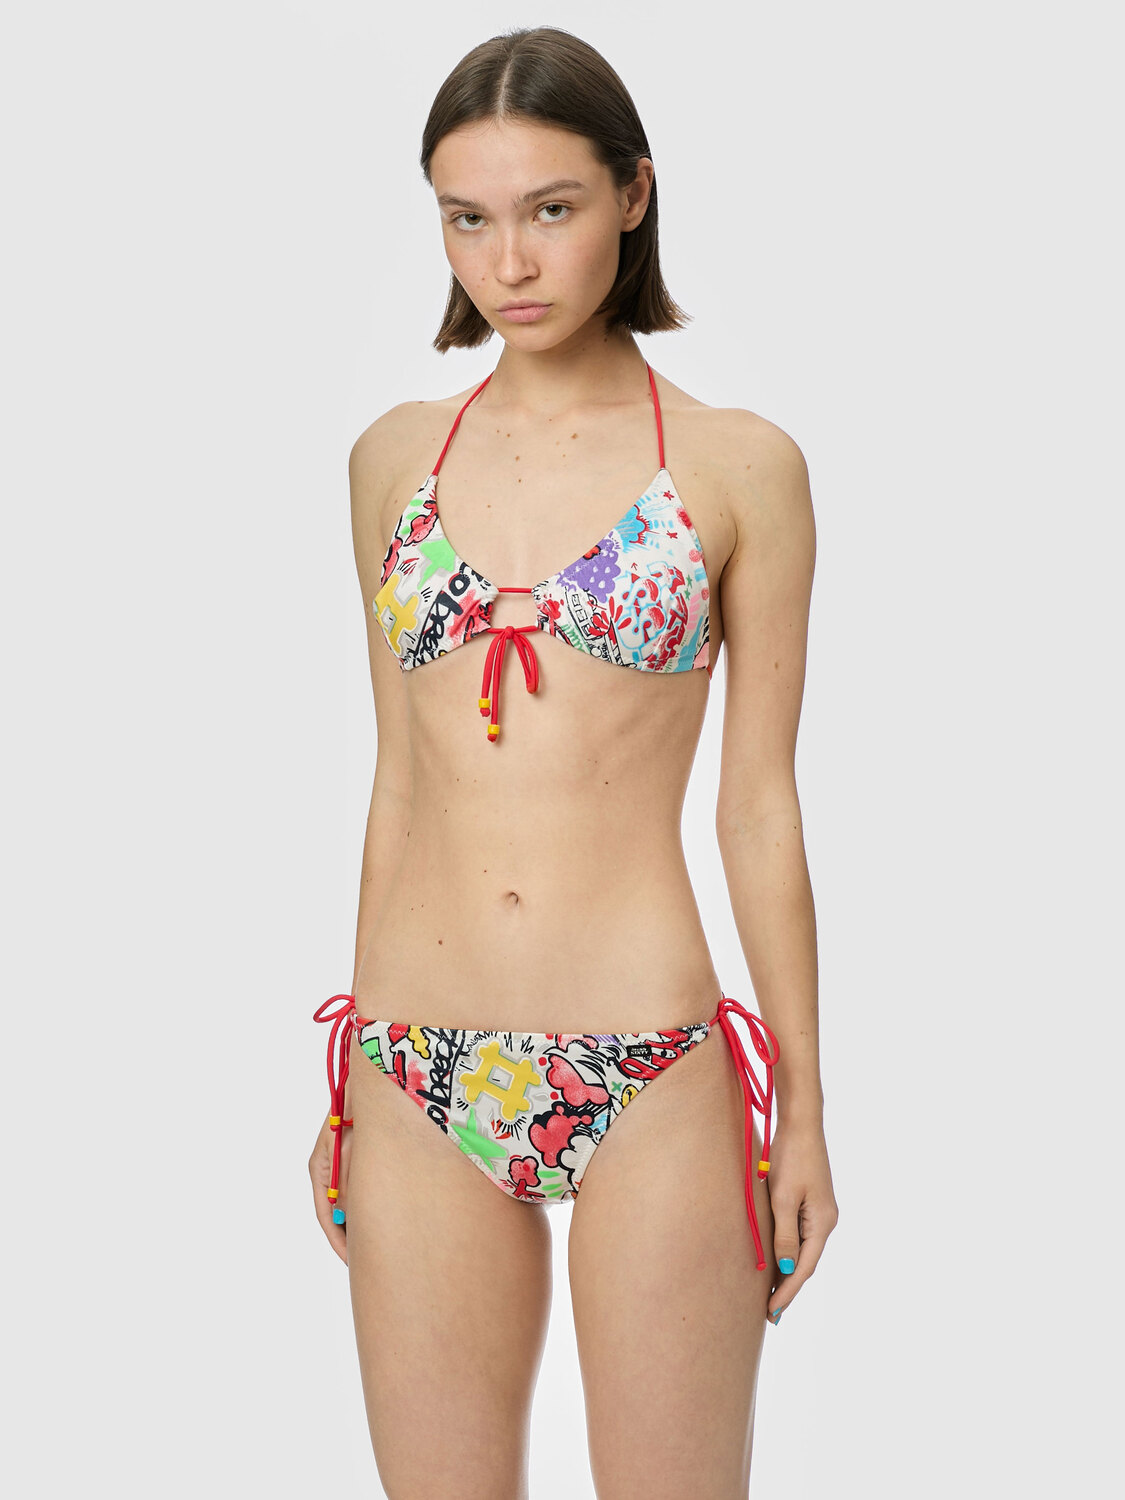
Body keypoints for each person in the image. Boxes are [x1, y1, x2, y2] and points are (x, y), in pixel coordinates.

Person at [309, 24, 837, 1499]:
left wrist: (803, 1107)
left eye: (550, 208)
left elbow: (759, 807)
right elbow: (398, 781)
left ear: (631, 193)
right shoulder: (390, 460)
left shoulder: (739, 467)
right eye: (466, 219)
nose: (510, 263)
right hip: (415, 1061)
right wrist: (348, 1082)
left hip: (648, 1060)